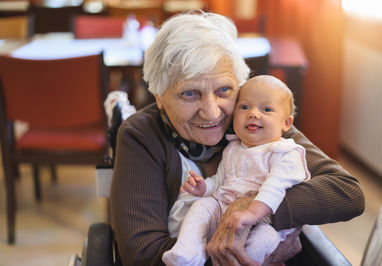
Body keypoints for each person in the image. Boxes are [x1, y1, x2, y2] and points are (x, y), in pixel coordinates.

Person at [110, 11, 365, 266]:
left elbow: (346, 193)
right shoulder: (141, 134)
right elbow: (142, 256)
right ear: (159, 96)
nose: (211, 112)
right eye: (189, 93)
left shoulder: (254, 118)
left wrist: (255, 209)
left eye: (224, 90)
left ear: (240, 84)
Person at [162, 75, 311, 265]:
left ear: (286, 123)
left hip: (262, 222)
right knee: (202, 206)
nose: (253, 114)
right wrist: (203, 188)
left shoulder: (285, 153)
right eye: (244, 107)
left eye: (266, 109)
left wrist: (252, 213)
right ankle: (188, 253)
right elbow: (221, 180)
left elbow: (275, 188)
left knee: (266, 239)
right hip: (222, 209)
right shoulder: (233, 148)